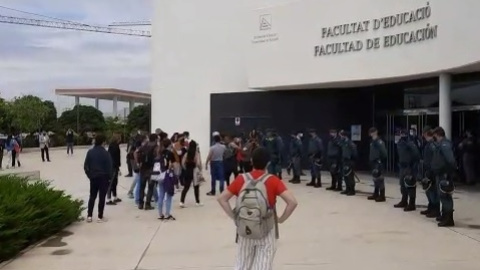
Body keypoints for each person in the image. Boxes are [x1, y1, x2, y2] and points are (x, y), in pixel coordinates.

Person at [217, 147, 298, 270]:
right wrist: (281, 219)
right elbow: (292, 202)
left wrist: (235, 217)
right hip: (266, 229)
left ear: (251, 161)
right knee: (262, 266)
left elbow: (222, 198)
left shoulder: (241, 179)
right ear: (268, 163)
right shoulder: (273, 180)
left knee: (242, 265)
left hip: (245, 228)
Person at [83, 134, 113, 223]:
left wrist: (89, 175)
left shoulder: (90, 152)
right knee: (102, 197)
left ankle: (89, 215)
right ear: (103, 142)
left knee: (92, 196)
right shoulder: (106, 153)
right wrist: (109, 178)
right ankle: (100, 216)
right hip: (103, 177)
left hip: (93, 177)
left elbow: (86, 166)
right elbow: (109, 167)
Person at [432, 127, 456, 227]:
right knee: (442, 195)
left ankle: (449, 219)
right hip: (440, 174)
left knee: (445, 196)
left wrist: (448, 172)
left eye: (435, 135)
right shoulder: (441, 144)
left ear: (438, 134)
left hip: (444, 175)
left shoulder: (445, 144)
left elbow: (451, 160)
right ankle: (445, 215)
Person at [394, 129, 421, 211]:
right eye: (400, 134)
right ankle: (404, 200)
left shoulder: (410, 143)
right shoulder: (399, 143)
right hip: (402, 166)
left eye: (403, 134)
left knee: (410, 184)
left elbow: (416, 154)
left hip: (410, 166)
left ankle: (412, 203)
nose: (401, 135)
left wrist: (413, 164)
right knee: (402, 184)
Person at [135, 134, 158, 210]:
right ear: (155, 139)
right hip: (152, 168)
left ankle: (140, 204)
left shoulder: (144, 145)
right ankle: (147, 204)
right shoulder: (155, 146)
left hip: (143, 168)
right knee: (150, 187)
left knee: (142, 186)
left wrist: (138, 163)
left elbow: (136, 152)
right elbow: (157, 156)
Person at [421, 127, 439, 218]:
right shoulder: (428, 144)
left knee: (432, 191)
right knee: (428, 190)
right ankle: (431, 207)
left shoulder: (432, 145)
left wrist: (431, 170)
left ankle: (435, 210)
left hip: (431, 170)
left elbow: (434, 159)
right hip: (427, 169)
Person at [156, 139, 177, 220]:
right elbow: (174, 165)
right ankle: (167, 213)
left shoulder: (159, 153)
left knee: (161, 195)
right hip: (168, 175)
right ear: (169, 145)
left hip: (159, 175)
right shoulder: (170, 153)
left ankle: (160, 214)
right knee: (169, 194)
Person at [180, 140, 203, 207]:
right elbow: (198, 163)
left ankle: (182, 201)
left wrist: (186, 168)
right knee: (196, 187)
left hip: (188, 170)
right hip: (194, 170)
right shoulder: (196, 153)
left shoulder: (187, 153)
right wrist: (200, 170)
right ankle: (197, 202)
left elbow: (183, 163)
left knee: (186, 187)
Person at [367, 127, 387, 202]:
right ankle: (376, 193)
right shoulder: (372, 141)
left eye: (372, 132)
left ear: (376, 132)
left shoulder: (379, 142)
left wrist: (379, 160)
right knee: (375, 178)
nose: (371, 134)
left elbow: (384, 153)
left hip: (378, 162)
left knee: (380, 179)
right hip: (373, 162)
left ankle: (382, 196)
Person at [339, 130, 357, 196]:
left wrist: (351, 159)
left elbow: (354, 153)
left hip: (350, 161)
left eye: (341, 135)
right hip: (344, 161)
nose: (340, 137)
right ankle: (347, 189)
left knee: (350, 176)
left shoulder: (350, 143)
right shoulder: (344, 143)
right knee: (345, 175)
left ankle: (352, 190)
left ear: (344, 136)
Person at [107, 134, 122, 205]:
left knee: (114, 182)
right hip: (113, 166)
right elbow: (116, 158)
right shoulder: (115, 147)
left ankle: (114, 196)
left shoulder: (112, 146)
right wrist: (118, 167)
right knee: (111, 182)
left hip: (112, 165)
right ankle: (108, 199)